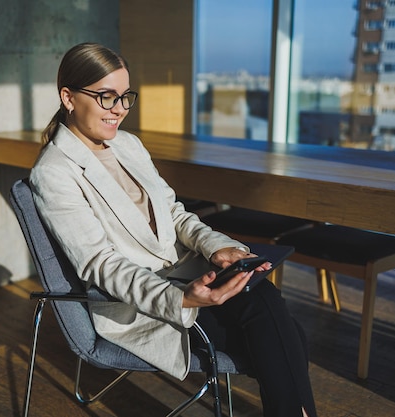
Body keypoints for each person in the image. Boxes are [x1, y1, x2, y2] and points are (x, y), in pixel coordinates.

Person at [30, 42, 317, 417]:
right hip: (141, 304)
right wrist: (181, 300)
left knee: (269, 310)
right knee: (285, 333)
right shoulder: (54, 173)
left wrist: (218, 249)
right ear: (68, 97)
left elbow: (175, 214)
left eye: (125, 96)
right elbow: (100, 265)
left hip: (187, 275)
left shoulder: (128, 145)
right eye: (106, 97)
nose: (119, 110)